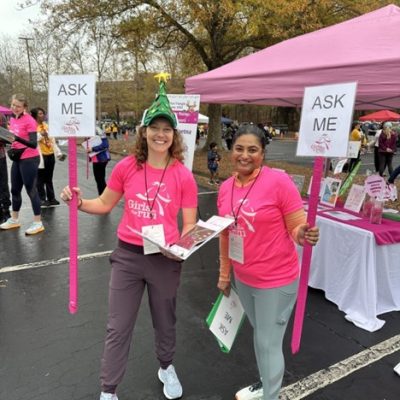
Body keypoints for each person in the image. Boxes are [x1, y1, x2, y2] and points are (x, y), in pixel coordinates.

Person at [60, 74, 198, 400]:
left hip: (165, 260)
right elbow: (105, 204)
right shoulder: (126, 168)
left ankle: (166, 366)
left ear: (173, 135)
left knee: (165, 322)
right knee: (117, 326)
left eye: (167, 129)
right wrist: (77, 202)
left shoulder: (182, 174)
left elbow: (190, 224)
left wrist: (184, 244)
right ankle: (108, 390)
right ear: (144, 131)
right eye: (155, 128)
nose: (160, 134)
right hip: (128, 257)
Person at [216, 124, 319, 400]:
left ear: (263, 153)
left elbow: (296, 227)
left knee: (268, 342)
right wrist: (225, 274)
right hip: (244, 278)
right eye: (239, 149)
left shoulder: (278, 182)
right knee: (260, 336)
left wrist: (303, 233)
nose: (245, 155)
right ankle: (265, 384)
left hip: (276, 280)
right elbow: (225, 235)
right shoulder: (226, 188)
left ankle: (271, 395)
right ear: (231, 151)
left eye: (253, 150)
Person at [0, 94, 44, 235]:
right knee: (15, 190)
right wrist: (8, 140)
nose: (15, 108)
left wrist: (16, 138)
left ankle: (38, 222)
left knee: (31, 190)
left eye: (18, 106)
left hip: (30, 158)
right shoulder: (12, 119)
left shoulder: (30, 121)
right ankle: (14, 219)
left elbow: (32, 143)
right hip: (18, 158)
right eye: (13, 105)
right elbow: (13, 139)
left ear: (24, 107)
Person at [31, 107, 64, 207]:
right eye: (40, 114)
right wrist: (40, 134)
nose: (42, 115)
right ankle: (41, 199)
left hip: (50, 154)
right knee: (40, 179)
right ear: (35, 115)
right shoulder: (32, 126)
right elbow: (32, 139)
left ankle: (51, 198)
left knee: (49, 178)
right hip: (40, 156)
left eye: (43, 113)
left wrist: (58, 153)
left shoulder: (46, 125)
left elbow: (52, 140)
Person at [86, 127, 111, 195]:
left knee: (100, 180)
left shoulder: (97, 130)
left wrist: (93, 149)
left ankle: (104, 196)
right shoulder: (88, 130)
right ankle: (103, 196)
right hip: (96, 159)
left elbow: (105, 145)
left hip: (101, 159)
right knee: (99, 180)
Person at [0, 112, 11, 224]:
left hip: (0, 156)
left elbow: (7, 138)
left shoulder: (1, 116)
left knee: (3, 184)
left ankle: (6, 211)